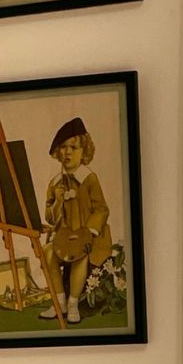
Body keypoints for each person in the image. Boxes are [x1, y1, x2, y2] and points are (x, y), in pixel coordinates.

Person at [40, 117, 113, 326]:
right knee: (47, 253)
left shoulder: (89, 179)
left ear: (84, 151)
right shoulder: (55, 183)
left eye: (74, 147)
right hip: (64, 236)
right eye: (63, 147)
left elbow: (102, 209)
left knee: (80, 255)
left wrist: (89, 230)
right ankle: (59, 301)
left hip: (87, 236)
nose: (68, 152)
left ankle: (73, 303)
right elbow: (49, 216)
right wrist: (58, 201)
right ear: (58, 152)